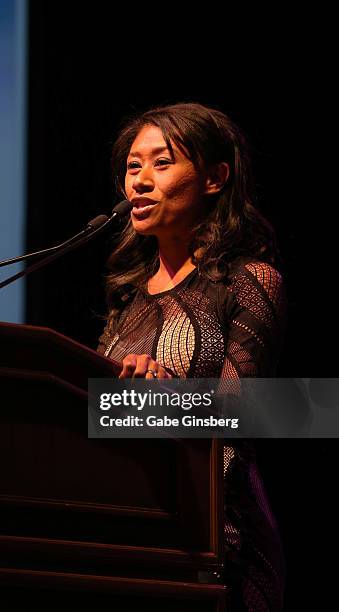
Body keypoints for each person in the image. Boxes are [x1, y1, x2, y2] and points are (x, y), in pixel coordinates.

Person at [97, 102, 286, 611]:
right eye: (133, 166)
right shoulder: (127, 301)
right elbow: (101, 421)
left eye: (161, 163)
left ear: (214, 177)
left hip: (220, 544)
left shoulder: (248, 282)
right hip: (132, 536)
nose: (138, 181)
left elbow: (250, 414)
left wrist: (163, 397)